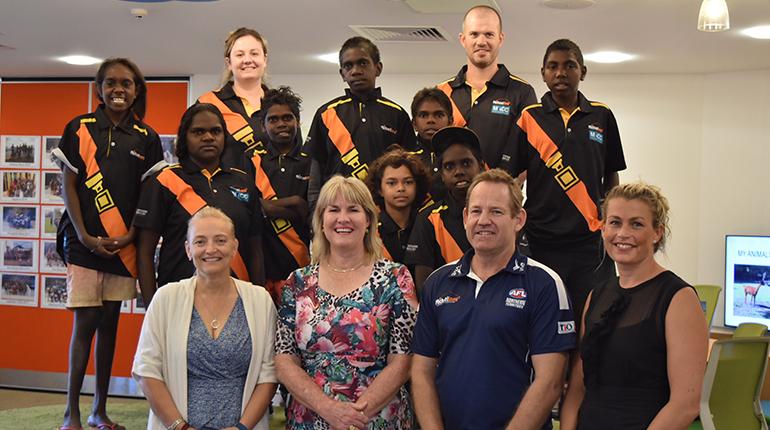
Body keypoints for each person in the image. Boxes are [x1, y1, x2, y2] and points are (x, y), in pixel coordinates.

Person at [411, 169, 575, 430]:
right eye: (476, 211)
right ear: (465, 218)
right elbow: (421, 371)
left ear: (518, 219)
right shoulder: (438, 282)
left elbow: (550, 381)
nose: (483, 220)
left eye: (496, 212)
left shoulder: (544, 283)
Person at [52, 57, 163, 430]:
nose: (119, 89)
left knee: (111, 326)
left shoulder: (147, 138)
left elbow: (148, 193)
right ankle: (71, 413)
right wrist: (83, 234)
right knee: (85, 325)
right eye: (111, 82)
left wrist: (130, 234)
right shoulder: (79, 128)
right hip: (82, 245)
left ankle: (99, 411)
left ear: (136, 89)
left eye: (127, 83)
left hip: (122, 247)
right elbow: (68, 184)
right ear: (99, 87)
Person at [560, 182, 708, 430]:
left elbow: (686, 403)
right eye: (615, 222)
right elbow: (576, 389)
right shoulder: (596, 296)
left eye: (636, 224)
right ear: (603, 227)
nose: (622, 233)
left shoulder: (678, 298)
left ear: (657, 232)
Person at [275, 175, 418, 429]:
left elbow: (404, 359)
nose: (343, 218)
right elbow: (284, 360)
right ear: (321, 221)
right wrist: (329, 409)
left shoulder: (395, 278)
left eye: (353, 210)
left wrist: (355, 416)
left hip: (377, 420)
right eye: (334, 210)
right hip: (309, 420)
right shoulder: (296, 283)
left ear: (368, 221)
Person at [513, 39, 626, 323]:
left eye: (569, 66)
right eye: (553, 66)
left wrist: (611, 217)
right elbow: (514, 178)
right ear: (543, 73)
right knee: (543, 319)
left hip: (589, 241)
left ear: (583, 72)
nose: (560, 73)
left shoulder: (602, 115)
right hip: (540, 240)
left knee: (593, 319)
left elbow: (611, 173)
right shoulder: (529, 117)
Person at [133, 207, 277, 430]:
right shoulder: (166, 298)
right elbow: (147, 370)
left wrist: (241, 428)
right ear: (188, 249)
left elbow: (268, 374)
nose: (210, 249)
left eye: (220, 240)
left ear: (234, 247)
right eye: (200, 242)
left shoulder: (260, 301)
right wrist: (181, 427)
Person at [134, 103, 264, 305]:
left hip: (237, 300)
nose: (208, 137)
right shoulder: (164, 181)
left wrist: (258, 301)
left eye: (216, 131)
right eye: (198, 132)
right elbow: (145, 252)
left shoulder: (243, 181)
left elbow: (256, 251)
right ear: (185, 137)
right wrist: (153, 309)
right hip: (179, 300)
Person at [305, 36, 416, 209]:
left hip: (384, 209)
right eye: (348, 66)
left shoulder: (397, 114)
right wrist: (315, 212)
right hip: (338, 208)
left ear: (378, 68)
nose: (355, 71)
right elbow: (316, 169)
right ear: (342, 74)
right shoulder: (326, 113)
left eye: (363, 63)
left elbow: (410, 169)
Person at [438, 5, 536, 170]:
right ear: (463, 39)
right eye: (474, 34)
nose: (481, 42)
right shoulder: (442, 92)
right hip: (449, 194)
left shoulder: (522, 92)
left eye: (489, 34)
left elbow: (531, 151)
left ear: (500, 39)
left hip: (502, 192)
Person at [247, 86, 311, 304]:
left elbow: (309, 212)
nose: (281, 124)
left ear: (298, 121)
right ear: (263, 126)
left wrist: (269, 208)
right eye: (273, 119)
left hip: (303, 268)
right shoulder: (252, 162)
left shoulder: (312, 161)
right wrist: (294, 202)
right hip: (260, 269)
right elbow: (248, 206)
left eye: (287, 118)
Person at [404, 126, 483, 292]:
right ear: (441, 175)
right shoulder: (428, 219)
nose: (459, 171)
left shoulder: (501, 213)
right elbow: (424, 286)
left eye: (466, 163)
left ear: (481, 167)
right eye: (449, 167)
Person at [198, 27, 271, 164]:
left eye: (254, 53)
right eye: (240, 55)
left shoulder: (281, 104)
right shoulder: (208, 104)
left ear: (265, 60)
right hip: (225, 185)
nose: (247, 60)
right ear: (229, 63)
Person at [365, 145, 431, 269]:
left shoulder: (427, 224)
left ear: (418, 186)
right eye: (392, 183)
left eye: (408, 182)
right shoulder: (369, 228)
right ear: (379, 189)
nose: (400, 188)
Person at [409, 87, 453, 201]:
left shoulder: (461, 157)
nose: (431, 120)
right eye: (423, 115)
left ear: (450, 121)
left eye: (438, 115)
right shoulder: (405, 158)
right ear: (414, 123)